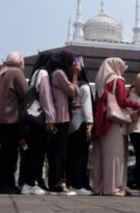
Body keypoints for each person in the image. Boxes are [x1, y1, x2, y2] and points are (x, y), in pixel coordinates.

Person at [92, 58, 140, 196]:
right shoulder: (118, 79)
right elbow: (122, 101)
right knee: (115, 157)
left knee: (101, 157)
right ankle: (112, 188)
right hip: (114, 122)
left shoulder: (101, 81)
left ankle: (99, 187)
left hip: (102, 122)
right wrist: (138, 105)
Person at [0, 52, 29, 194]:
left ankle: (1, 182)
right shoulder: (15, 72)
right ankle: (6, 184)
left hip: (3, 118)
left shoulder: (3, 72)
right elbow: (25, 93)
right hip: (12, 118)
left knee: (5, 153)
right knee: (10, 154)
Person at [44, 50, 80, 194]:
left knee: (59, 153)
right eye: (72, 61)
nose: (73, 65)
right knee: (58, 153)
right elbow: (72, 91)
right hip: (60, 118)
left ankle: (57, 182)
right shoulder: (59, 73)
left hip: (62, 116)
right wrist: (76, 75)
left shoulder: (58, 73)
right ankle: (56, 183)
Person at [23, 52, 52, 195]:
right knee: (38, 153)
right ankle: (31, 184)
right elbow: (45, 97)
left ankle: (30, 182)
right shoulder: (44, 74)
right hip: (39, 118)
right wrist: (50, 118)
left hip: (31, 118)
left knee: (33, 152)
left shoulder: (35, 73)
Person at [67, 65, 95, 195]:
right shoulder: (84, 86)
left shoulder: (71, 86)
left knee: (72, 156)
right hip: (82, 123)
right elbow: (88, 107)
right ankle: (79, 185)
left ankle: (72, 183)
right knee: (81, 157)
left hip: (71, 125)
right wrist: (90, 124)